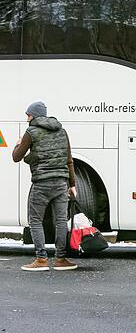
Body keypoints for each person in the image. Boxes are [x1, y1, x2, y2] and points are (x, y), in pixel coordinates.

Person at [12, 102, 78, 271]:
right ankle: (60, 259)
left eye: (28, 115)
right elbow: (69, 160)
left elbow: (16, 157)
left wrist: (19, 143)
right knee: (61, 220)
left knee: (35, 220)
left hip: (42, 183)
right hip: (61, 182)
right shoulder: (62, 131)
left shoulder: (31, 132)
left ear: (34, 116)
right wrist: (72, 185)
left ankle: (41, 259)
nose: (27, 118)